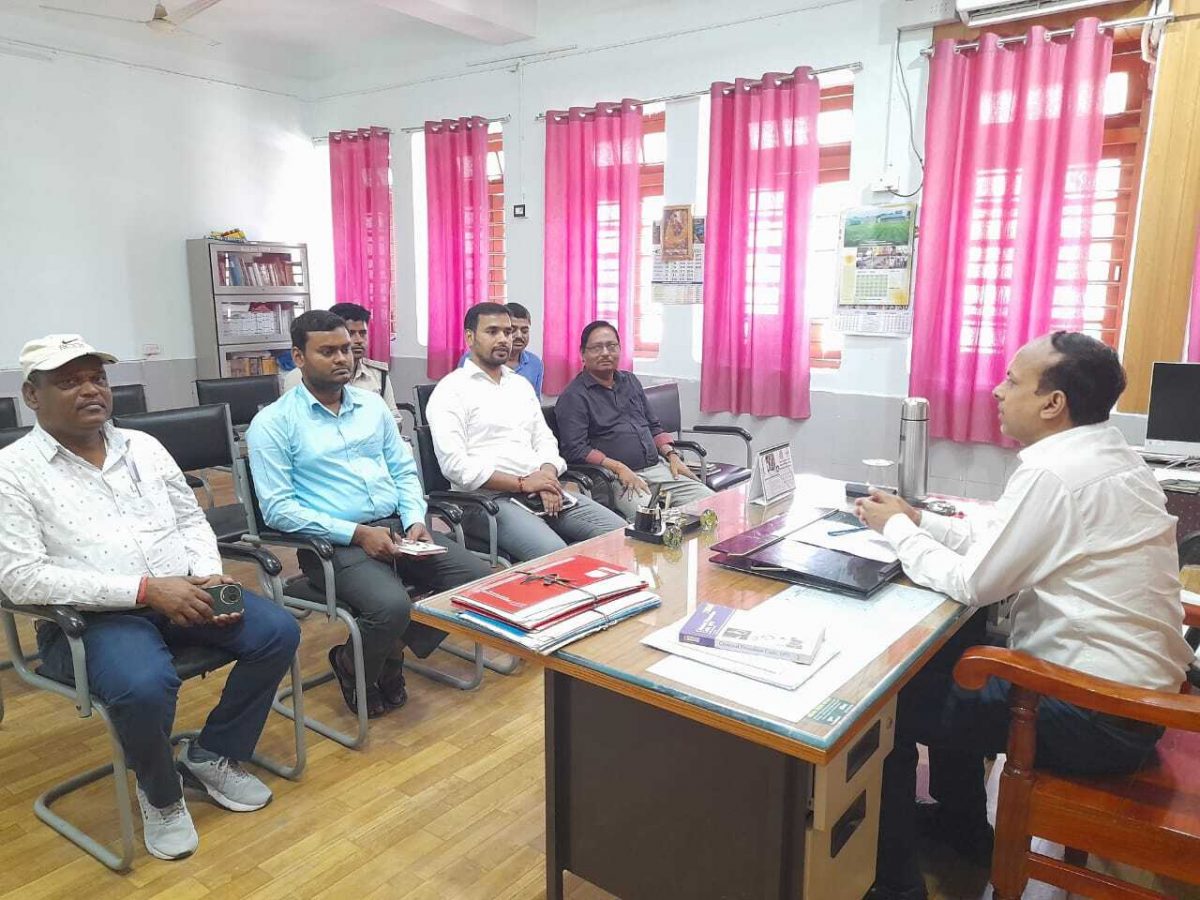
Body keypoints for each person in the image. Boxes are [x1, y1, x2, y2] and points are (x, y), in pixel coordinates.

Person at [854, 332, 1194, 900]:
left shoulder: (1055, 473)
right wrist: (918, 519)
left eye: (1013, 381)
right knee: (956, 666)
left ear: (1053, 403)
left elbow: (974, 584)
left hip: (1097, 715)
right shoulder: (1103, 454)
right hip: (1132, 703)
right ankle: (963, 826)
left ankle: (894, 886)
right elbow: (999, 540)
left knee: (883, 711)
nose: (997, 390)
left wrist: (894, 530)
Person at [0, 334, 301, 861]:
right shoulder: (12, 471)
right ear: (31, 395)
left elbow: (189, 518)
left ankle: (212, 753)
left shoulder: (143, 446)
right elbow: (20, 578)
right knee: (143, 684)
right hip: (92, 620)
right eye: (69, 382)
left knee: (278, 631)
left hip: (182, 592)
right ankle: (161, 793)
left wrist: (207, 574)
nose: (90, 390)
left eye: (97, 378)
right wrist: (143, 590)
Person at [249, 311, 490, 719]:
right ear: (298, 357)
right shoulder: (273, 423)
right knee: (391, 607)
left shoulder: (372, 406)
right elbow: (278, 509)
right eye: (328, 351)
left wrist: (415, 519)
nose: (342, 358)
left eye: (346, 349)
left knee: (477, 580)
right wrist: (357, 533)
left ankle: (389, 648)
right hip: (332, 546)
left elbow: (403, 470)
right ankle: (353, 663)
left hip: (399, 530)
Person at [427, 303, 626, 562]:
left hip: (539, 488)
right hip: (485, 501)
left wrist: (546, 476)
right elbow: (456, 467)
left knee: (620, 534)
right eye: (492, 331)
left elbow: (545, 440)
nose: (504, 339)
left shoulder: (519, 386)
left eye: (507, 332)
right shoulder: (450, 391)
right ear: (470, 337)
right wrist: (522, 483)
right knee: (557, 556)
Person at [554, 320, 713, 520]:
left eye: (611, 346)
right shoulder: (573, 396)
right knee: (651, 522)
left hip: (658, 468)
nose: (605, 353)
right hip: (614, 477)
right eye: (596, 348)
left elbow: (654, 426)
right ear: (582, 353)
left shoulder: (630, 381)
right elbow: (576, 449)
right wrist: (619, 468)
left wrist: (672, 455)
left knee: (712, 505)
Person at [283, 302, 403, 422]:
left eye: (363, 333)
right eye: (351, 333)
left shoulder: (378, 374)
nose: (359, 340)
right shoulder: (299, 377)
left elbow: (394, 417)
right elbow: (295, 422)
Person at [457, 301, 544, 397]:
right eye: (512, 330)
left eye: (524, 331)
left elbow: (535, 401)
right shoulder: (471, 359)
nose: (519, 335)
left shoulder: (535, 363)